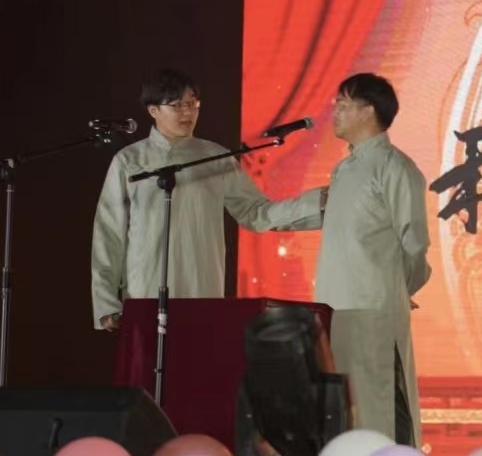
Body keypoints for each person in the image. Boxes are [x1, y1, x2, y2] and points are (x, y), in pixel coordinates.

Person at [262, 72, 431, 445]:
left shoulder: (395, 167)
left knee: (379, 405)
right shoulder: (345, 168)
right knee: (347, 409)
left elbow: (415, 244)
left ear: (368, 110)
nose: (334, 111)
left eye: (342, 103)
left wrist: (399, 288)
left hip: (374, 310)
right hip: (337, 308)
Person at [90, 67, 326, 332]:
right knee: (148, 357)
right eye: (177, 105)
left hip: (201, 288)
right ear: (153, 110)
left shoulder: (216, 158)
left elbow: (256, 212)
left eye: (193, 104)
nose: (188, 113)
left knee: (198, 355)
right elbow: (109, 234)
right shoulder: (129, 160)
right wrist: (106, 304)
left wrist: (316, 203)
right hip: (145, 290)